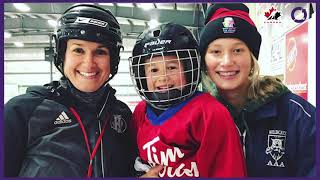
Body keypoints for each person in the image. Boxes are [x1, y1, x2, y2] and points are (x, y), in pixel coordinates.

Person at [4, 4, 137, 177]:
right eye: (78, 50)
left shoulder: (122, 115)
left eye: (100, 52)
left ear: (113, 60)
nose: (89, 63)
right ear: (62, 54)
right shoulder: (22, 111)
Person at [199, 3, 315, 177]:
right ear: (205, 63)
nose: (227, 61)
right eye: (216, 51)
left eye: (238, 50)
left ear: (252, 59)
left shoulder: (298, 116)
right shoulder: (198, 118)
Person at [129, 22, 246, 178]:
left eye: (171, 67)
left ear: (188, 68)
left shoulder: (209, 112)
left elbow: (229, 170)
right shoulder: (140, 111)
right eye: (154, 70)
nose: (163, 77)